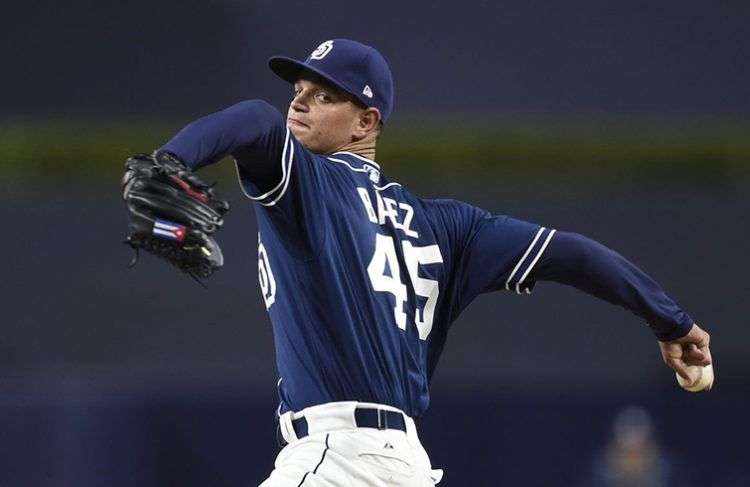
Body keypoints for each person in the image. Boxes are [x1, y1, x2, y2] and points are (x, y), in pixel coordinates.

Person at [153, 38, 713, 486]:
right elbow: (575, 255)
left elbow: (251, 119)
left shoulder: (308, 181)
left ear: (366, 123)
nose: (298, 102)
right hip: (407, 466)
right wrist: (672, 322)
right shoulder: (451, 227)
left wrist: (170, 162)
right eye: (298, 89)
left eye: (324, 95)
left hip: (335, 458)